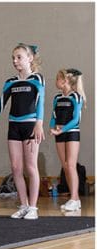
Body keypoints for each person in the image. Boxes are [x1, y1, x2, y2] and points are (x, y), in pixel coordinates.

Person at [0, 43, 45, 220]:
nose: (15, 61)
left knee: (31, 167)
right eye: (13, 58)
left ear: (30, 58)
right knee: (16, 168)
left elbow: (40, 101)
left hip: (31, 125)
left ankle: (33, 207)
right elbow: (1, 103)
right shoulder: (10, 82)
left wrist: (39, 123)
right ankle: (24, 204)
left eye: (19, 57)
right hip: (14, 126)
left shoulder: (37, 79)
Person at [50, 68, 86, 212]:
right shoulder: (57, 98)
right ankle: (74, 199)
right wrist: (52, 128)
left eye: (58, 78)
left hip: (71, 133)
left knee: (71, 165)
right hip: (59, 134)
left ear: (65, 81)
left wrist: (61, 130)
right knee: (65, 166)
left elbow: (76, 119)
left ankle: (75, 198)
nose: (56, 81)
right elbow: (53, 116)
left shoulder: (76, 96)